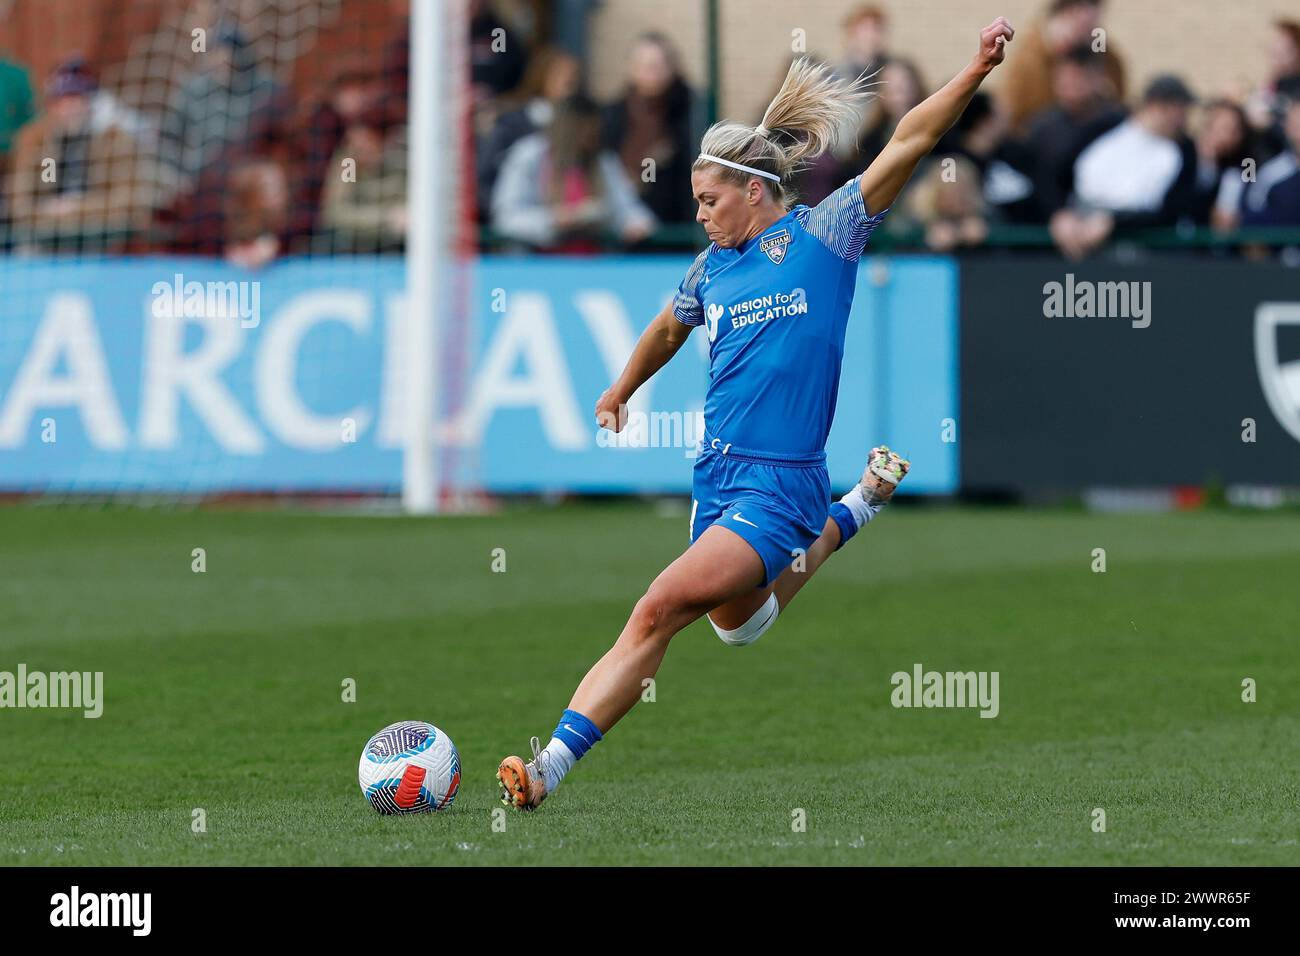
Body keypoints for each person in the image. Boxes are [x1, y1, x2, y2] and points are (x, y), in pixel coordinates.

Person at [496, 18, 1017, 810]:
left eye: (710, 200)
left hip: (779, 488)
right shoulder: (711, 267)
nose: (699, 213)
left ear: (754, 189)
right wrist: (621, 389)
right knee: (739, 625)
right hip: (719, 478)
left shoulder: (827, 236)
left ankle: (548, 769)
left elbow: (910, 139)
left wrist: (975, 67)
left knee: (658, 609)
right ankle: (860, 507)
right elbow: (670, 326)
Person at [490, 93, 656, 252]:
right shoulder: (528, 156)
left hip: (593, 267)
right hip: (536, 265)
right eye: (584, 129)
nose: (590, 136)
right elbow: (506, 218)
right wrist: (555, 220)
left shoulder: (602, 161)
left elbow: (630, 209)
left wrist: (634, 224)